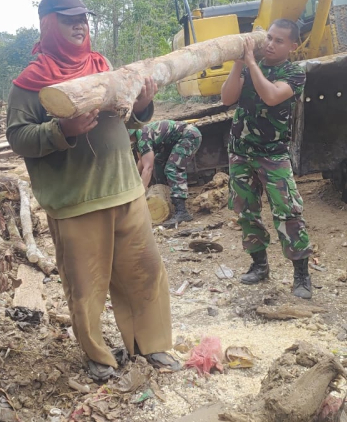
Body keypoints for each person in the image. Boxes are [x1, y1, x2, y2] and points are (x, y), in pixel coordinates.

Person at [6, 0, 179, 381]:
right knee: (86, 287)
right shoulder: (30, 85)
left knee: (145, 271)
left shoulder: (103, 67)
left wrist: (140, 107)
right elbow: (18, 138)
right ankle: (99, 356)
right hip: (76, 201)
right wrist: (60, 130)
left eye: (83, 18)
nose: (79, 25)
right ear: (49, 24)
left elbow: (127, 120)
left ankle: (150, 346)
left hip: (125, 188)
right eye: (68, 19)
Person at [220, 19, 314, 298]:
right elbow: (227, 98)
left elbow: (272, 96)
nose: (271, 44)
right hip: (240, 151)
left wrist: (251, 64)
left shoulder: (294, 72)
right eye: (269, 38)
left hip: (272, 154)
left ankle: (301, 275)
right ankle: (259, 265)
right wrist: (239, 62)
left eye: (279, 41)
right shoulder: (251, 66)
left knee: (287, 211)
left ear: (292, 46)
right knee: (246, 210)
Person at [131, 120, 202, 227]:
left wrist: (139, 194)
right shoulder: (137, 141)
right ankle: (165, 194)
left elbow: (148, 168)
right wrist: (134, 182)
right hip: (174, 141)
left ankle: (181, 211)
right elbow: (141, 161)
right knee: (159, 160)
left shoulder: (142, 137)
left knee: (172, 167)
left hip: (188, 136)